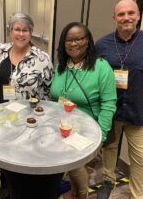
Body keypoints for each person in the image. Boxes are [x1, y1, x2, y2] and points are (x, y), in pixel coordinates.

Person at [95, 0, 143, 199]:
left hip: (139, 113)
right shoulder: (102, 44)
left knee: (140, 158)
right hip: (110, 111)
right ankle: (108, 182)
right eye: (121, 14)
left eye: (131, 13)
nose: (126, 18)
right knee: (109, 149)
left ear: (138, 16)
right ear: (114, 18)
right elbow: (94, 78)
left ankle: (138, 194)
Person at [50, 22, 117, 199]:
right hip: (62, 128)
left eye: (79, 39)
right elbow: (56, 96)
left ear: (88, 41)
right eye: (69, 40)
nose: (74, 44)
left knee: (75, 169)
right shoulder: (61, 66)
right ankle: (72, 193)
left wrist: (101, 136)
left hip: (85, 131)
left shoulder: (101, 67)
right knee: (66, 168)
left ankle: (81, 194)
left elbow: (109, 104)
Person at [0, 12, 54, 199]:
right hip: (3, 114)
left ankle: (27, 185)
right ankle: (6, 184)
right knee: (4, 151)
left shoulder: (42, 58)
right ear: (10, 31)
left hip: (30, 117)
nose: (21, 34)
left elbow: (48, 91)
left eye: (25, 30)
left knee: (27, 153)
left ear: (31, 32)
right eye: (17, 29)